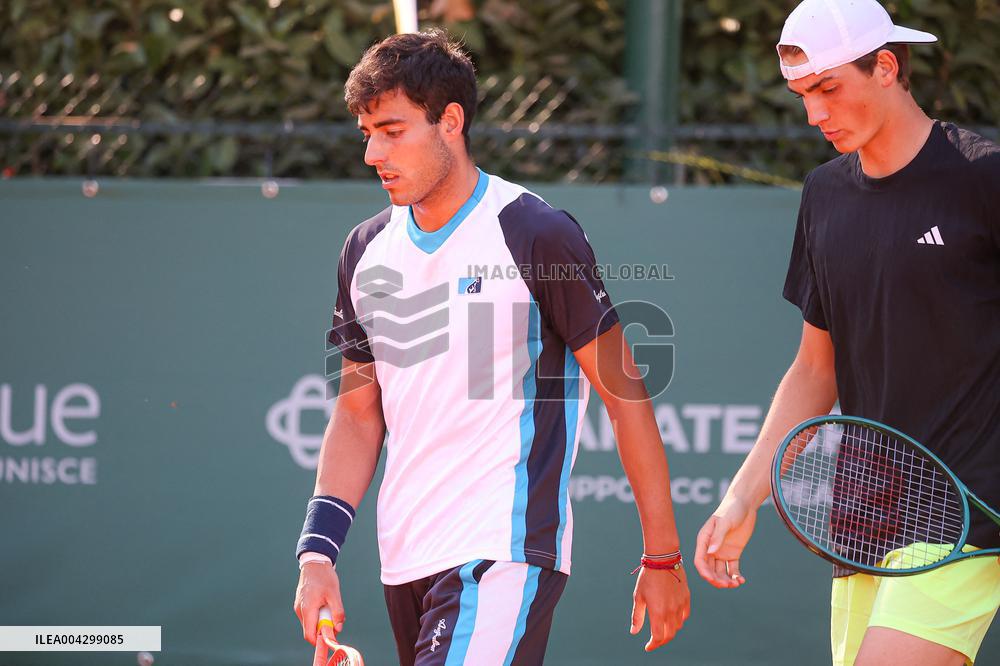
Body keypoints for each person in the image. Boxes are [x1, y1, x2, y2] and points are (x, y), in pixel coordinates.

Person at [293, 29, 690, 665]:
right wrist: (318, 554)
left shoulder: (536, 233)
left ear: (451, 121)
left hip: (502, 551)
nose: (372, 152)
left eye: (392, 130)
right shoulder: (364, 250)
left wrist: (662, 554)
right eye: (366, 132)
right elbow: (357, 413)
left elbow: (626, 395)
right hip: (404, 558)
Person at [693, 0, 1000, 665]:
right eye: (804, 95)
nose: (814, 114)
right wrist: (743, 496)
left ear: (886, 67)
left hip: (967, 512)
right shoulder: (824, 194)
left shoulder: (985, 179)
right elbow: (815, 370)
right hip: (864, 514)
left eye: (828, 88)